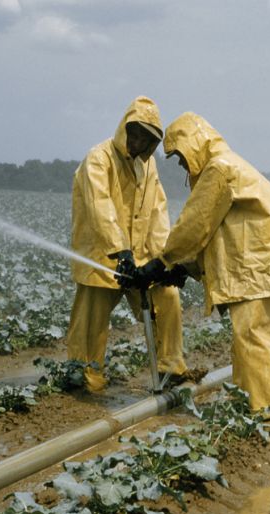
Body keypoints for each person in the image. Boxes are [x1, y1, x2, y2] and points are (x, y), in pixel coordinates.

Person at [123, 112, 270, 417]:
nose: (182, 165)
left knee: (252, 339)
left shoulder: (219, 169)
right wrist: (185, 268)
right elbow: (221, 230)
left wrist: (162, 261)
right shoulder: (232, 164)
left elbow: (196, 225)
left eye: (180, 157)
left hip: (257, 270)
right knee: (254, 341)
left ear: (194, 144)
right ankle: (252, 405)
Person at [67, 96, 187, 393]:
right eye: (135, 134)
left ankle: (171, 367)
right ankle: (85, 375)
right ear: (125, 129)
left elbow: (158, 211)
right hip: (103, 257)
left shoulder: (149, 168)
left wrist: (162, 260)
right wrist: (120, 251)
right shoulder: (99, 158)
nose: (138, 142)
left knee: (168, 300)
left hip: (141, 258)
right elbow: (100, 208)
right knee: (91, 323)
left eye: (146, 139)